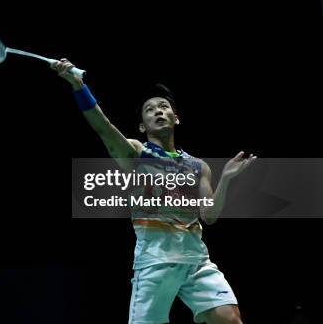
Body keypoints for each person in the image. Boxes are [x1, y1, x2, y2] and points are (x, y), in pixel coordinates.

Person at [51, 59, 255, 324]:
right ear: (141, 126)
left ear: (176, 118)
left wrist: (227, 179)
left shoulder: (199, 167)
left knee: (230, 319)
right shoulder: (137, 153)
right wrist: (79, 87)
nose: (158, 111)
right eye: (150, 110)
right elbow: (103, 127)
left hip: (196, 261)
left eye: (164, 107)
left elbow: (209, 215)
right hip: (155, 261)